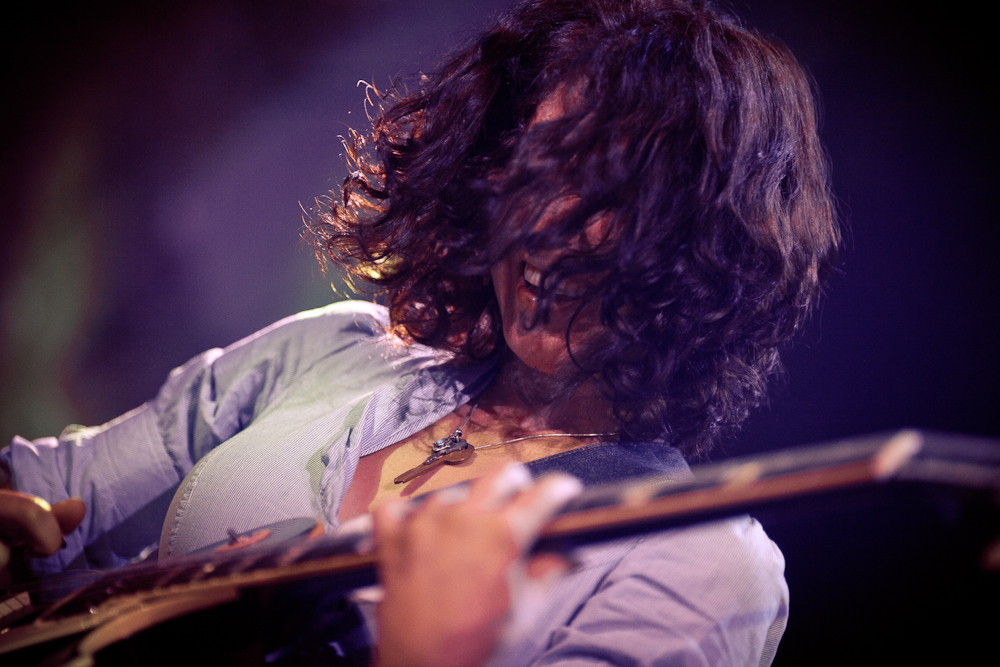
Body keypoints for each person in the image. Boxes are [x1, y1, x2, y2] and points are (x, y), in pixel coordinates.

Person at [1, 0, 838, 664]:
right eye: (541, 166)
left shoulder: (703, 557)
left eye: (617, 200)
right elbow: (51, 492)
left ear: (704, 251)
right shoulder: (332, 352)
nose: (550, 225)